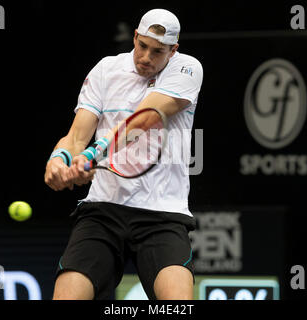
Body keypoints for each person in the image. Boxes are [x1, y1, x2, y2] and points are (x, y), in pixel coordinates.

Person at [45, 8, 203, 300]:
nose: (146, 57)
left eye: (158, 51)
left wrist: (93, 153)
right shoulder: (106, 69)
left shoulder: (188, 68)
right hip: (103, 210)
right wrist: (59, 160)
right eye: (142, 45)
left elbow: (145, 118)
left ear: (173, 50)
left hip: (162, 214)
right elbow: (77, 135)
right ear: (135, 36)